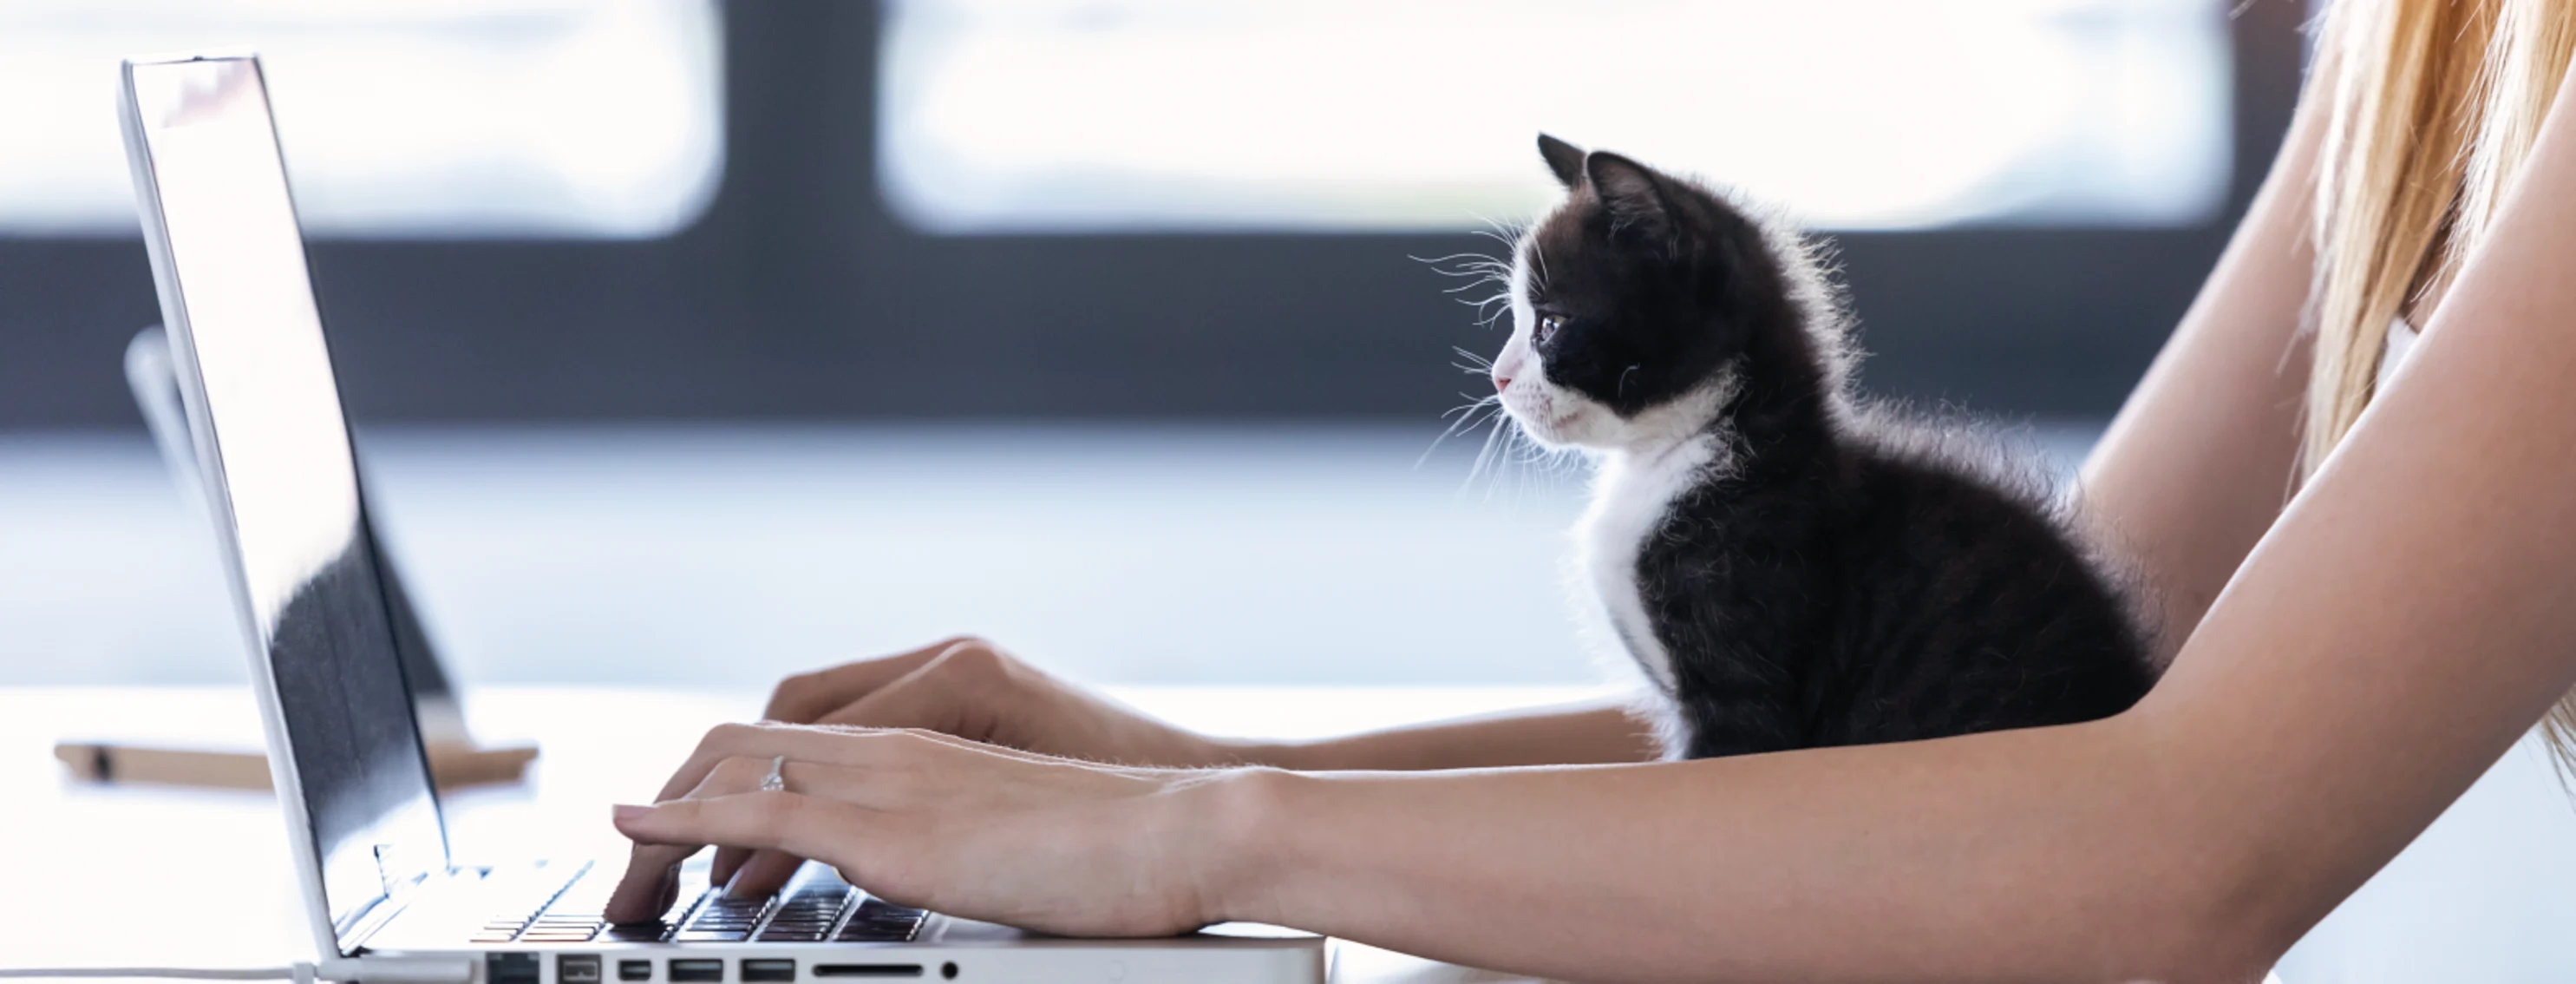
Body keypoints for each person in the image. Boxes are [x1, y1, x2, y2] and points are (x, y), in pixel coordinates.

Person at [604, 1, 2576, 978]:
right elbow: (2011, 715)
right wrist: (1135, 770)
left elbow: (2167, 857)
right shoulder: (2443, 40)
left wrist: (1200, 838)